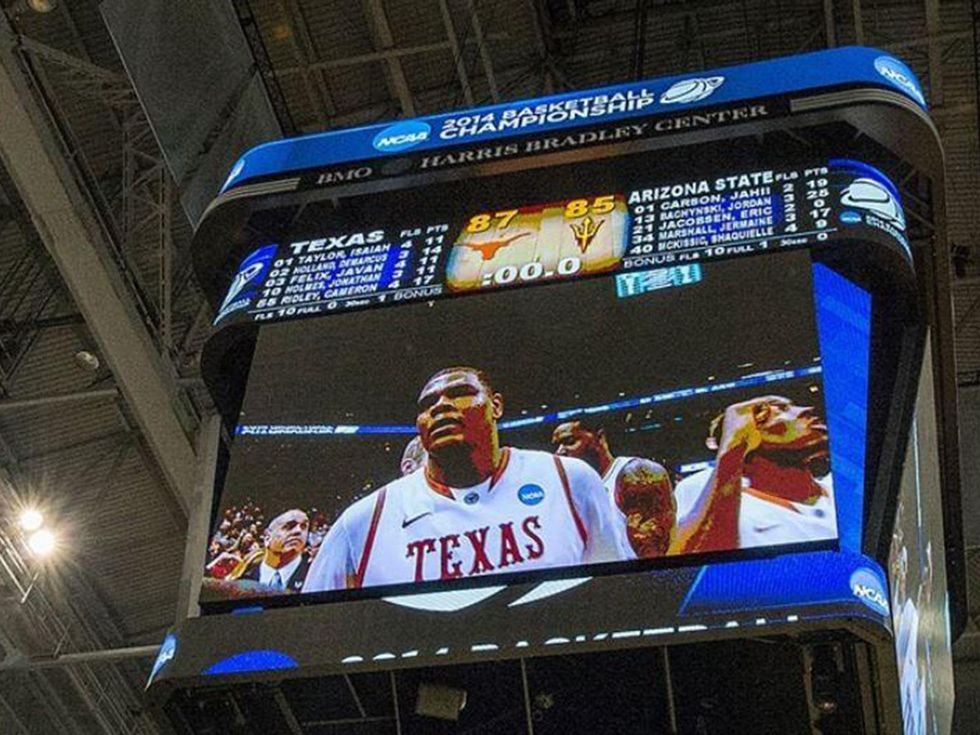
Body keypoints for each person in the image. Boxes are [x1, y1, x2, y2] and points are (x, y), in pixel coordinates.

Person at [304, 366, 633, 591]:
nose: (441, 406)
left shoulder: (569, 478)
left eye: (459, 393)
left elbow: (617, 593)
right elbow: (310, 626)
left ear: (496, 405)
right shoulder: (363, 521)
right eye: (428, 404)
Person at [672, 395, 836, 553]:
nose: (806, 409)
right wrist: (733, 448)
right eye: (780, 410)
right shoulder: (703, 490)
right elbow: (695, 565)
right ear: (746, 438)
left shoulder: (842, 486)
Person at [551, 419, 676, 557]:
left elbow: (655, 552)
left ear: (600, 437)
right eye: (557, 446)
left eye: (569, 441)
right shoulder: (571, 491)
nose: (559, 452)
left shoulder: (636, 473)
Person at [228, 508, 312, 592]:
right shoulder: (242, 581)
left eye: (304, 527)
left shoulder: (315, 576)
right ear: (267, 537)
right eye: (289, 526)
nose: (298, 531)